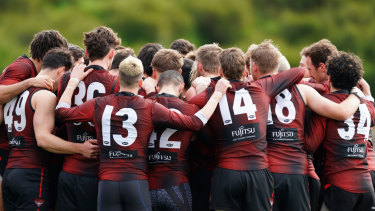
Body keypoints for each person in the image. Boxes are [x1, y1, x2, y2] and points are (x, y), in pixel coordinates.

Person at [55, 56, 231, 211]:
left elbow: (61, 112)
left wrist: (73, 82)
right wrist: (217, 94)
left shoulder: (99, 103)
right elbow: (195, 122)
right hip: (136, 181)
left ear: (117, 79)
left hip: (107, 182)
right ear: (140, 83)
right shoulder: (149, 106)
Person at [189, 46, 305, 211]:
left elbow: (189, 109)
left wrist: (204, 87)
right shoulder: (261, 87)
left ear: (221, 71)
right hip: (257, 172)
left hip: (227, 172)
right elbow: (298, 72)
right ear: (245, 70)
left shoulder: (209, 95)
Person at [260, 41, 362, 211]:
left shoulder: (256, 90)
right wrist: (361, 95)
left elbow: (311, 144)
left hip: (308, 174)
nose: (305, 73)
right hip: (357, 174)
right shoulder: (360, 100)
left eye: (306, 67)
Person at [1, 49, 98, 211]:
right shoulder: (45, 96)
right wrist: (80, 148)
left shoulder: (15, 93)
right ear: (61, 70)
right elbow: (43, 139)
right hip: (31, 174)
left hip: (10, 173)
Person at [0, 29, 68, 211]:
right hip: (17, 158)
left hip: (15, 161)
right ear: (48, 55)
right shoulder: (23, 68)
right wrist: (29, 83)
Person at [55, 26, 121, 211]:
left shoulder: (67, 79)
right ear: (111, 54)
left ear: (86, 52)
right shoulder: (115, 82)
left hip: (69, 170)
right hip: (98, 173)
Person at [305, 51, 375, 211]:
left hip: (339, 185)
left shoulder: (325, 105)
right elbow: (372, 111)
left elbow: (311, 145)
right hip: (366, 187)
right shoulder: (367, 106)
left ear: (329, 77)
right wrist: (368, 95)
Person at [147, 70, 199, 210]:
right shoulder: (191, 109)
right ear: (181, 87)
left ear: (157, 87)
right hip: (177, 183)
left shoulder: (143, 105)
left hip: (147, 186)